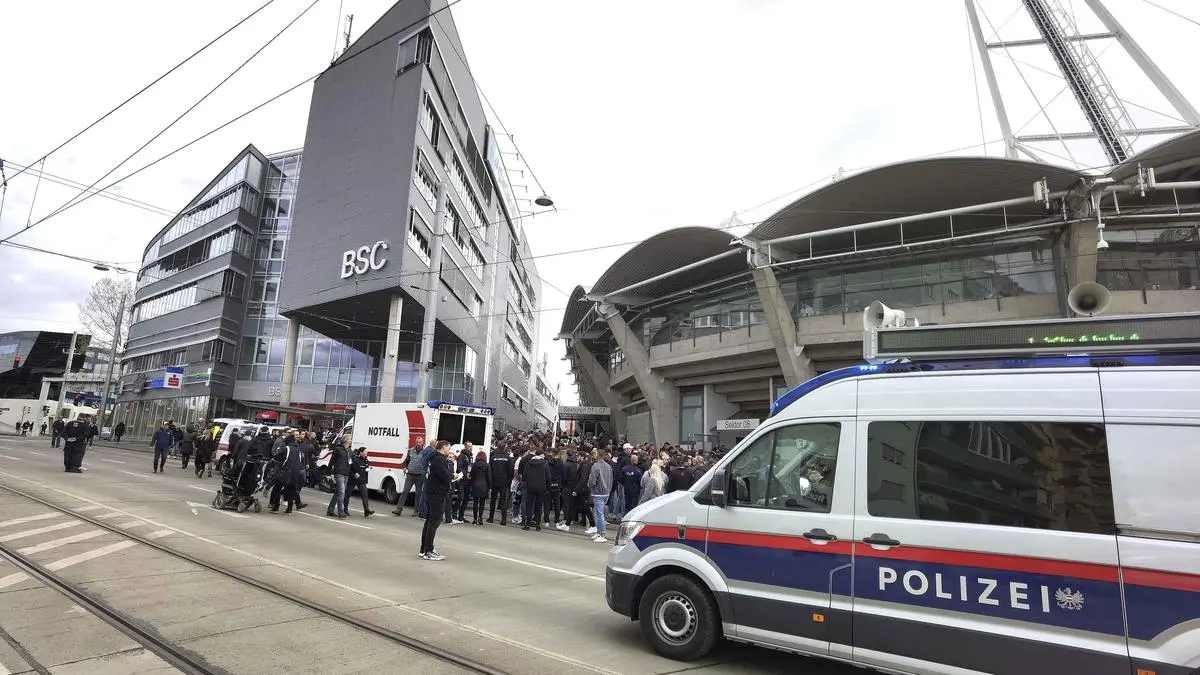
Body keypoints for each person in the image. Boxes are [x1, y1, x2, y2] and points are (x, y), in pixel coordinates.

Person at [419, 440, 454, 561]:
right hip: (436, 493)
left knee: (429, 521)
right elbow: (445, 476)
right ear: (443, 447)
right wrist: (454, 476)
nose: (449, 450)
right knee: (434, 521)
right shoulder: (439, 459)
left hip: (430, 491)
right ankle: (428, 550)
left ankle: (424, 548)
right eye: (448, 447)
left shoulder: (432, 458)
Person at [393, 436, 429, 517]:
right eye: (417, 442)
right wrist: (405, 467)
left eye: (420, 442)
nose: (418, 444)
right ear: (415, 442)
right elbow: (407, 459)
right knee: (405, 491)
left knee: (418, 494)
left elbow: (427, 462)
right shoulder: (411, 450)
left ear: (422, 443)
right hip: (410, 475)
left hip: (420, 475)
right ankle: (398, 509)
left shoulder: (425, 452)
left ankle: (416, 511)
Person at [270, 434, 305, 514]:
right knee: (290, 490)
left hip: (285, 471)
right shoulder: (298, 449)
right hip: (295, 472)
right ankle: (289, 509)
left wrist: (274, 461)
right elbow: (301, 461)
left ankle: (276, 507)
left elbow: (278, 457)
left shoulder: (286, 448)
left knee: (277, 488)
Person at [521, 447, 549, 532]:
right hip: (541, 487)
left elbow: (524, 475)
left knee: (529, 505)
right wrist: (547, 487)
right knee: (539, 505)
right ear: (541, 455)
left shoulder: (529, 463)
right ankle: (538, 524)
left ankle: (528, 523)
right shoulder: (545, 463)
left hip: (530, 487)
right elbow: (548, 476)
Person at [587, 450, 613, 543]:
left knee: (599, 514)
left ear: (598, 455)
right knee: (599, 513)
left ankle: (602, 534)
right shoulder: (608, 466)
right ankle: (598, 532)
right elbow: (611, 480)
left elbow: (592, 480)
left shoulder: (596, 466)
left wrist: (590, 486)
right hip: (606, 492)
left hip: (598, 492)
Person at [343, 446, 373, 517]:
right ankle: (345, 509)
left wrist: (366, 480)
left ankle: (366, 511)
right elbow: (349, 468)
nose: (367, 453)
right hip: (353, 479)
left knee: (365, 495)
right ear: (361, 452)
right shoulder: (354, 459)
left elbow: (366, 471)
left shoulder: (366, 460)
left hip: (362, 480)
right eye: (365, 452)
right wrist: (354, 474)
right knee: (347, 494)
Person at [326, 437, 351, 518]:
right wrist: (328, 473)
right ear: (345, 441)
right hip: (339, 473)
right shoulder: (338, 449)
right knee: (341, 492)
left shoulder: (350, 451)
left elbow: (351, 462)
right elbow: (332, 461)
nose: (351, 441)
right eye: (350, 439)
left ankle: (330, 510)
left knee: (338, 493)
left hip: (346, 473)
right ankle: (341, 511)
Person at [487, 445, 512, 525]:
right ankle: (503, 520)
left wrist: (490, 481)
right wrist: (508, 480)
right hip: (504, 481)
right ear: (504, 449)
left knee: (493, 500)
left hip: (494, 481)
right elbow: (510, 470)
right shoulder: (508, 458)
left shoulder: (493, 457)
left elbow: (489, 469)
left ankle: (491, 518)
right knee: (503, 500)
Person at [470, 451, 490, 525]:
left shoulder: (474, 465)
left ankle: (474, 519)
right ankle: (480, 518)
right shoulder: (487, 465)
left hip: (475, 484)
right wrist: (489, 487)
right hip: (484, 485)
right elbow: (489, 477)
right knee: (482, 503)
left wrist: (471, 484)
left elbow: (472, 475)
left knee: (475, 503)